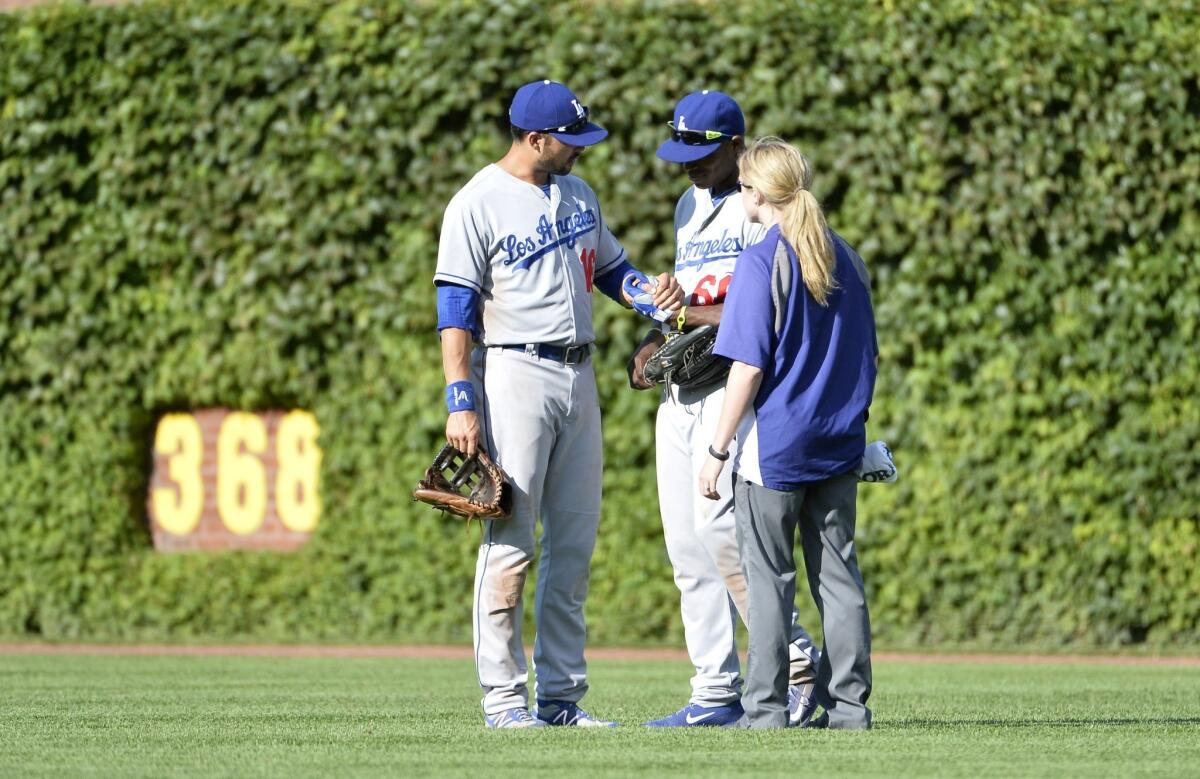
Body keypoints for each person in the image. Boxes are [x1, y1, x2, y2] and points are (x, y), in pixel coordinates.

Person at [434, 79, 682, 729]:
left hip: (580, 374)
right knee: (511, 540)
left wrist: (651, 297)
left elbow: (610, 269)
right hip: (513, 372)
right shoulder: (477, 202)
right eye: (568, 141)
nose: (579, 151)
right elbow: (454, 311)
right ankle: (505, 699)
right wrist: (461, 400)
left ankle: (562, 698)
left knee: (574, 541)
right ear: (535, 139)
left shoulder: (578, 193)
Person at [627, 91, 821, 729]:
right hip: (681, 392)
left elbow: (765, 298)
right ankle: (714, 692)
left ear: (735, 147)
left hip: (732, 389)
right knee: (687, 547)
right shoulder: (688, 206)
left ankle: (797, 662)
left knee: (720, 534)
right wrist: (658, 334)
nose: (689, 164)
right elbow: (693, 300)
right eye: (681, 151)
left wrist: (685, 314)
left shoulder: (754, 206)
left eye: (702, 153)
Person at [698, 136, 878, 730]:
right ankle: (851, 709)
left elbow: (746, 368)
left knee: (770, 582)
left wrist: (716, 451)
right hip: (838, 445)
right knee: (840, 578)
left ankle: (766, 711)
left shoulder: (760, 261)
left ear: (753, 194)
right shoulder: (846, 257)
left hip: (775, 449)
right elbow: (868, 356)